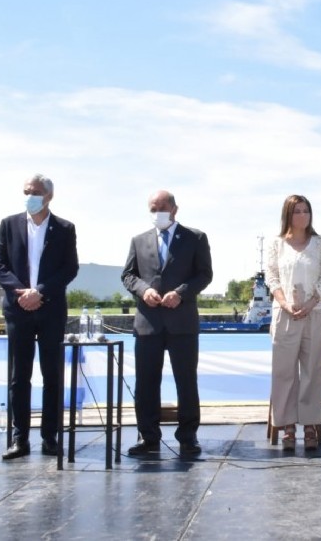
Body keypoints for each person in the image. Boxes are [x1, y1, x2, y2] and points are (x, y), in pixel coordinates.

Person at [0, 174, 79, 460]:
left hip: (51, 309)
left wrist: (39, 292)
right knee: (20, 377)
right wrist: (21, 293)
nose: (30, 196)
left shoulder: (65, 228)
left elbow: (69, 269)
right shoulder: (9, 224)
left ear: (48, 196)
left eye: (35, 192)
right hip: (18, 310)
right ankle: (20, 438)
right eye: (26, 191)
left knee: (52, 375)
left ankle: (50, 437)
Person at [121, 190, 213, 457]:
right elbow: (128, 275)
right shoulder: (138, 240)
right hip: (148, 322)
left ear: (175, 209)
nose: (157, 212)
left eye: (162, 207)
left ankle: (188, 436)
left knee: (186, 381)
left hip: (182, 322)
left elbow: (205, 274)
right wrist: (143, 290)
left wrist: (181, 293)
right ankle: (147, 437)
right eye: (153, 208)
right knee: (146, 382)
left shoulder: (195, 238)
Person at [265, 195, 321, 451]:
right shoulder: (276, 244)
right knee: (284, 371)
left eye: (306, 211)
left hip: (314, 313)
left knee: (313, 371)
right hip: (285, 314)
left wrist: (310, 303)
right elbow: (272, 277)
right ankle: (287, 424)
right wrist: (284, 303)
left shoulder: (320, 243)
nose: (303, 216)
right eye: (297, 211)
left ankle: (310, 423)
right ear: (288, 215)